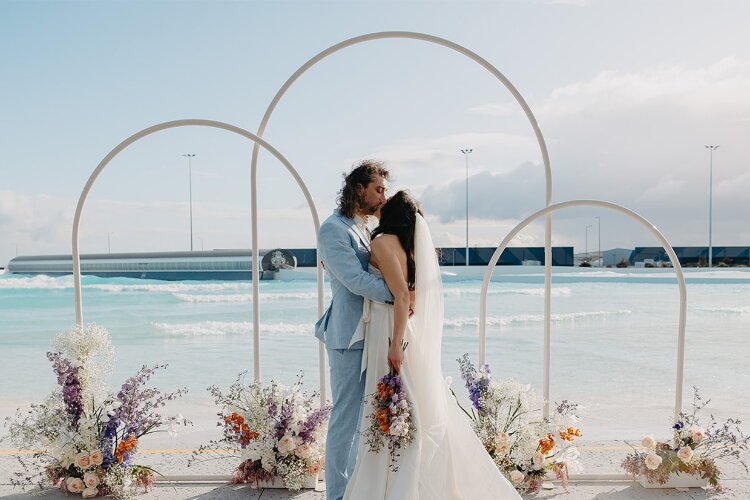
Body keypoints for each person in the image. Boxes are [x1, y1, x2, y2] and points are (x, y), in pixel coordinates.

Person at [343, 191, 522, 500]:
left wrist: (396, 344)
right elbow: (411, 294)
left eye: (385, 204)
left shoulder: (383, 242)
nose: (379, 206)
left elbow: (400, 295)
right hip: (399, 326)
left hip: (390, 329)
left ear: (393, 213)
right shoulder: (407, 246)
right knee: (408, 403)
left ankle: (396, 484)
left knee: (398, 402)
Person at [315, 160, 395, 500]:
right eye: (378, 189)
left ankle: (355, 490)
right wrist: (399, 295)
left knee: (365, 419)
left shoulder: (362, 227)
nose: (382, 195)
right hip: (348, 336)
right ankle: (336, 495)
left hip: (373, 334)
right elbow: (355, 281)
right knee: (345, 419)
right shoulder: (333, 229)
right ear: (358, 189)